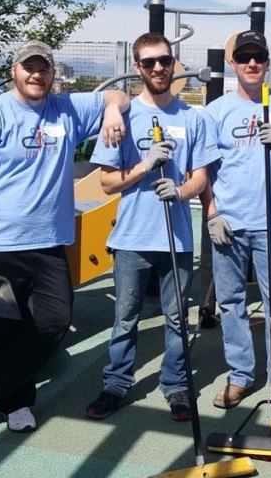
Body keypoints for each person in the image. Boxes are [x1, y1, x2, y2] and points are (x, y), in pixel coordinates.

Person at [0, 40, 129, 437]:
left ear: (53, 73)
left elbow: (117, 94)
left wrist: (113, 108)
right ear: (14, 71)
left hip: (48, 243)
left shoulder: (65, 108)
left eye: (44, 68)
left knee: (53, 321)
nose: (37, 75)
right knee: (0, 332)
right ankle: (17, 404)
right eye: (29, 67)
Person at [83, 32, 219, 421]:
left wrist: (179, 192)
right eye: (149, 62)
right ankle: (115, 384)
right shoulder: (123, 117)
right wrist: (144, 166)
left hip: (176, 238)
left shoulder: (193, 118)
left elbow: (201, 177)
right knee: (125, 318)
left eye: (164, 60)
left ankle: (175, 385)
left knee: (177, 319)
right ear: (138, 68)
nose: (158, 68)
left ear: (174, 63)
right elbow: (107, 182)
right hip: (132, 238)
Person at [200, 30, 271, 436]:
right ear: (233, 62)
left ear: (267, 61)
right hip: (230, 223)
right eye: (244, 56)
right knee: (230, 303)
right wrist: (212, 212)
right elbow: (205, 169)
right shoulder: (215, 111)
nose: (251, 63)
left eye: (259, 56)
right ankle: (241, 375)